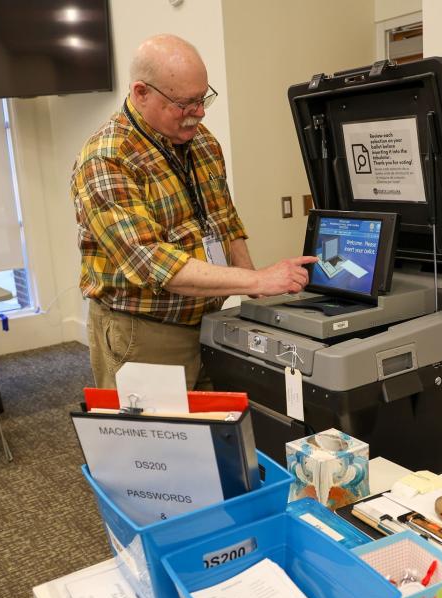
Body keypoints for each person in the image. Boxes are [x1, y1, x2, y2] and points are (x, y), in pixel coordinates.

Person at [72, 34, 316, 390]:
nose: (198, 113)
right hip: (145, 333)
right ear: (141, 93)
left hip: (210, 322)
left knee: (217, 434)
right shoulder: (107, 159)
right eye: (185, 104)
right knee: (157, 443)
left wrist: (253, 286)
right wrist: (258, 279)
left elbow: (224, 219)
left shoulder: (201, 141)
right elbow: (156, 264)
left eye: (203, 99)